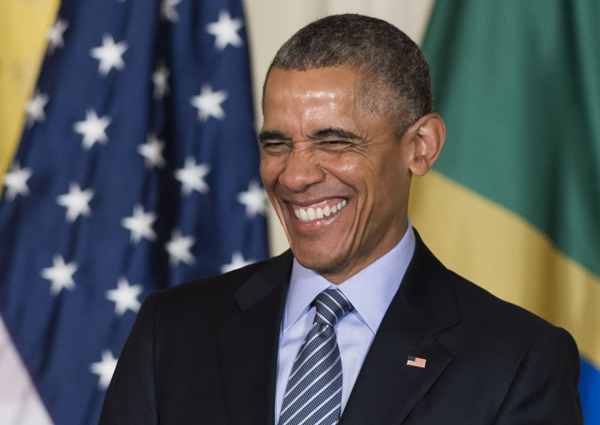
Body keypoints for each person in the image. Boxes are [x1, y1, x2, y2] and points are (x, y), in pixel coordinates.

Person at [99, 14, 583, 425]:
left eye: (333, 142)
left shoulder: (518, 360)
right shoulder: (171, 332)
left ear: (420, 147)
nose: (295, 176)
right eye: (277, 144)